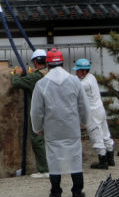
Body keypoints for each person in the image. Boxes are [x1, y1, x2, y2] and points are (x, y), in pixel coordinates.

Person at [30, 48, 89, 197]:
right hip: (72, 128)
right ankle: (77, 191)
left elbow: (36, 111)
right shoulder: (74, 81)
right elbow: (83, 105)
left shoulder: (42, 84)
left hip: (52, 130)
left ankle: (56, 191)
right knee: (75, 159)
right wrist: (84, 121)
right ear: (62, 63)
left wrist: (37, 127)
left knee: (54, 161)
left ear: (47, 64)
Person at [11, 49, 50, 178]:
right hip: (51, 110)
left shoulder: (35, 77)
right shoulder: (48, 73)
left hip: (39, 112)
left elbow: (16, 83)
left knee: (37, 140)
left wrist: (17, 73)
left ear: (35, 62)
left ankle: (45, 170)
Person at [72, 58, 114, 169]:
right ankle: (111, 159)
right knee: (105, 134)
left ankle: (103, 161)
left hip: (92, 113)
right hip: (100, 109)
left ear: (84, 71)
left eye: (78, 71)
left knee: (96, 136)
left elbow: (74, 87)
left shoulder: (84, 84)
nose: (76, 72)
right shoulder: (91, 77)